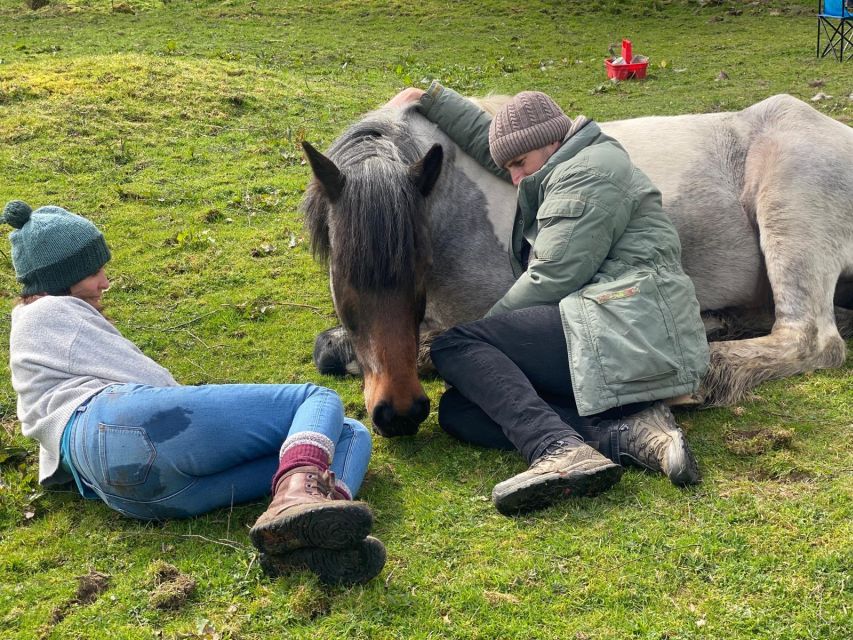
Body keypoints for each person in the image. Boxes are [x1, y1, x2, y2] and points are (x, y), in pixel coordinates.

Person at [3, 199, 385, 585]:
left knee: (347, 433)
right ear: (60, 278)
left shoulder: (33, 336)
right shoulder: (49, 312)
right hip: (124, 427)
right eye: (92, 272)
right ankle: (300, 502)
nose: (104, 282)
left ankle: (313, 533)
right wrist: (209, 419)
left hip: (139, 496)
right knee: (316, 401)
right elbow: (153, 384)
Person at [389, 83, 710, 515]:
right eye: (510, 167)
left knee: (455, 346)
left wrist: (479, 337)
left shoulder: (590, 173)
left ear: (553, 142)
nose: (514, 178)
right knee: (458, 411)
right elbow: (503, 150)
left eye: (519, 165)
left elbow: (552, 277)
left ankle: (557, 448)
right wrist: (431, 98)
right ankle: (630, 435)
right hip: (610, 328)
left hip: (632, 330)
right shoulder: (561, 161)